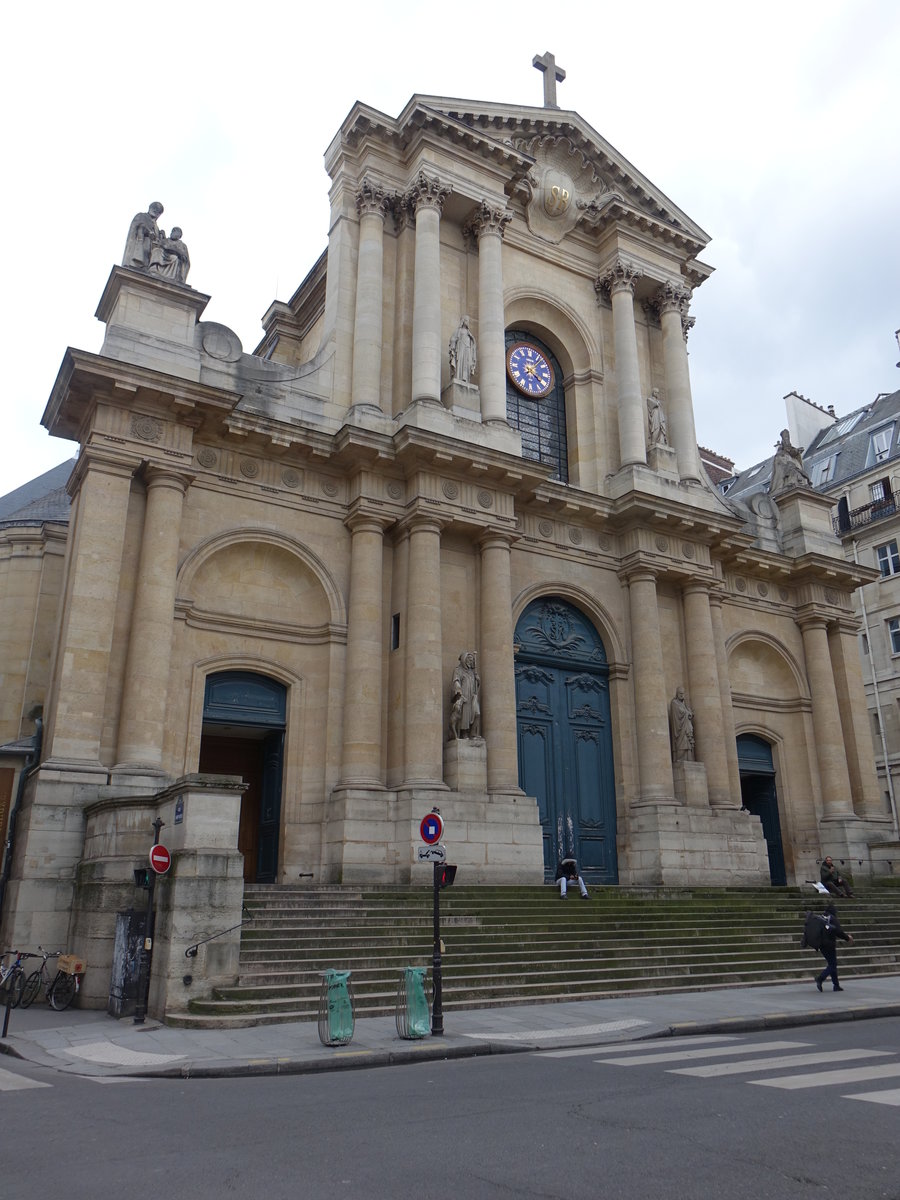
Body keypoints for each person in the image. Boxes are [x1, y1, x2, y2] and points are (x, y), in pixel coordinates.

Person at [815, 902, 853, 992]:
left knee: (832, 963)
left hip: (821, 945)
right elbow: (838, 931)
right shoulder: (832, 918)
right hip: (829, 945)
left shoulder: (820, 918)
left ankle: (836, 985)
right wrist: (848, 938)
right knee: (833, 964)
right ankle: (820, 978)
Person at [123, 202, 164, 270]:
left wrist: (161, 235)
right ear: (150, 208)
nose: (156, 211)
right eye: (154, 208)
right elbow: (137, 225)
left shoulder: (156, 226)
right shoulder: (141, 216)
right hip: (141, 242)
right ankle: (137, 265)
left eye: (159, 211)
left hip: (152, 249)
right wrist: (147, 231)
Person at [450, 651, 481, 738]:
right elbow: (455, 680)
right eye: (469, 660)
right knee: (465, 716)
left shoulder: (472, 672)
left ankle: (473, 732)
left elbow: (476, 685)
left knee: (477, 713)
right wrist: (458, 689)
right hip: (464, 696)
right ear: (464, 659)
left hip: (472, 696)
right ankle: (464, 733)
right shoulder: (458, 670)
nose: (471, 662)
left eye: (472, 660)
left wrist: (478, 680)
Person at [669, 686, 694, 762]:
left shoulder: (684, 704)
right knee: (681, 743)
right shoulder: (674, 702)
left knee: (688, 743)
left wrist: (690, 713)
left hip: (686, 726)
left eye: (683, 694)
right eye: (680, 693)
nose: (682, 695)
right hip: (680, 728)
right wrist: (687, 713)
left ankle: (689, 758)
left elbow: (687, 711)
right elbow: (680, 712)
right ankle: (680, 758)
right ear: (677, 694)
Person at [449, 316, 477, 384]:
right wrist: (454, 343)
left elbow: (473, 343)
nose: (467, 322)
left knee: (467, 363)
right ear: (463, 321)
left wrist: (472, 338)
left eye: (468, 321)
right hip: (461, 349)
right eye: (466, 321)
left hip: (467, 349)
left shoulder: (469, 332)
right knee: (460, 362)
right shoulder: (459, 331)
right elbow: (453, 339)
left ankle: (466, 379)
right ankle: (459, 377)